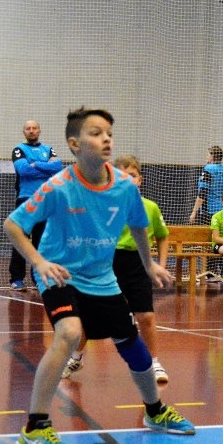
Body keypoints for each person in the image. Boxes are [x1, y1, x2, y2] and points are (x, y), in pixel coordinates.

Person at [5, 107, 195, 444]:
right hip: (60, 274)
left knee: (130, 341)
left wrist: (149, 263)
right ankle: (34, 428)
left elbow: (138, 224)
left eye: (109, 132)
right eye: (95, 133)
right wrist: (39, 262)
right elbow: (13, 225)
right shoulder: (59, 187)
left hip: (101, 278)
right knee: (70, 333)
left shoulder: (123, 186)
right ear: (74, 144)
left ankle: (155, 411)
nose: (106, 138)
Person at [62, 155, 170, 383]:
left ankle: (154, 363)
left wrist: (160, 264)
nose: (127, 180)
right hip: (107, 263)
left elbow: (162, 236)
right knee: (90, 315)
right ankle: (76, 356)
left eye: (132, 176)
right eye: (121, 176)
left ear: (140, 179)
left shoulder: (150, 207)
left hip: (138, 263)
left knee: (146, 315)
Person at [8, 120, 64, 291]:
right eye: (28, 128)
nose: (31, 131)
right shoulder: (19, 150)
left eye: (34, 128)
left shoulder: (49, 149)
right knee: (21, 239)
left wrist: (36, 164)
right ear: (24, 131)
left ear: (39, 130)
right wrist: (46, 168)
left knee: (42, 242)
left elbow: (58, 167)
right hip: (26, 200)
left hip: (45, 200)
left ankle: (38, 278)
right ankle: (17, 278)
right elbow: (24, 170)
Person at [190, 145, 223, 282]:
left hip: (209, 212)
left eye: (208, 154)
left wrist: (194, 212)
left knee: (210, 242)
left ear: (213, 156)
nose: (206, 156)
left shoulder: (208, 170)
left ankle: (211, 273)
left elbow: (202, 194)